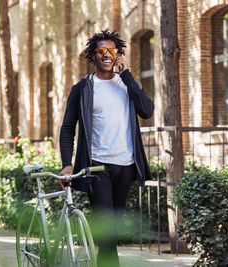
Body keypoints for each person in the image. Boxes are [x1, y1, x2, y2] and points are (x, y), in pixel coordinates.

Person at [59, 29, 154, 267]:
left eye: (111, 51)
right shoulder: (82, 89)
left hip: (126, 165)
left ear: (118, 54)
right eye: (101, 51)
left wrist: (128, 76)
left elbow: (147, 111)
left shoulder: (127, 85)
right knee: (108, 234)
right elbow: (68, 128)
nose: (107, 55)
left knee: (112, 235)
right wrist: (67, 164)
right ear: (94, 55)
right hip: (97, 167)